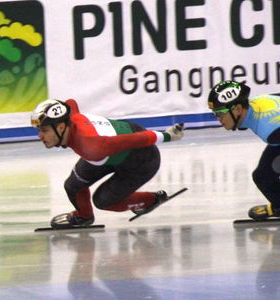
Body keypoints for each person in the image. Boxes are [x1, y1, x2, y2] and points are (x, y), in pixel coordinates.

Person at [31, 98, 185, 229]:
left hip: (142, 160)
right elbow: (71, 103)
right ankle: (84, 217)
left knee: (102, 201)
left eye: (44, 130)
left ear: (61, 127)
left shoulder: (92, 147)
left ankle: (151, 199)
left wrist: (166, 136)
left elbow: (136, 139)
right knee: (72, 186)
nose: (40, 136)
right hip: (111, 150)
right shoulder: (71, 118)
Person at [206, 80, 280, 220]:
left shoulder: (269, 129)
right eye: (215, 114)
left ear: (238, 109)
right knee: (262, 176)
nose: (218, 119)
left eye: (220, 113)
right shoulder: (255, 104)